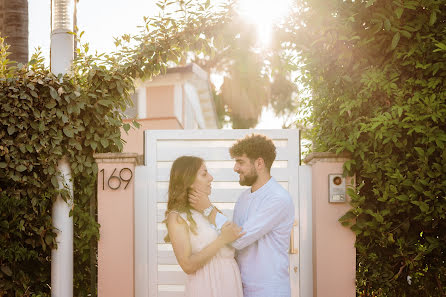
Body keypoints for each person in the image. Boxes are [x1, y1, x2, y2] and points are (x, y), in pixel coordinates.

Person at [189, 134, 295, 297]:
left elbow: (237, 239)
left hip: (269, 291)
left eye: (240, 162)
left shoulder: (278, 198)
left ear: (259, 163)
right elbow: (227, 237)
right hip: (240, 288)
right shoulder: (244, 198)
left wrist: (208, 209)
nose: (235, 168)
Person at [164, 155, 245, 297]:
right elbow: (187, 265)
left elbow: (234, 233)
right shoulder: (177, 217)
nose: (211, 178)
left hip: (229, 282)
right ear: (188, 181)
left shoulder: (210, 210)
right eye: (204, 174)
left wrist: (208, 208)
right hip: (206, 285)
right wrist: (221, 241)